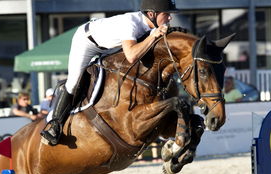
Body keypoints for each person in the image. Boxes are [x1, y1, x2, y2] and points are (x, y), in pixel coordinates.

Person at [40, 0, 178, 146]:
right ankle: (55, 125)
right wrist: (152, 36)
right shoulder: (130, 23)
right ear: (151, 14)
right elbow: (131, 55)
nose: (169, 18)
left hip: (110, 47)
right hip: (87, 42)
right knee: (74, 83)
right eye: (167, 14)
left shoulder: (151, 26)